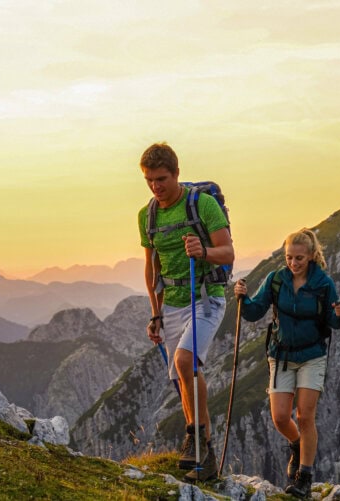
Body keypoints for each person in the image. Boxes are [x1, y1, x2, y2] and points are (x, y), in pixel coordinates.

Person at [138, 142, 234, 482]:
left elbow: (228, 253)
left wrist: (203, 250)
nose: (156, 186)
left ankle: (195, 437)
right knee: (183, 378)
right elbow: (152, 270)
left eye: (161, 179)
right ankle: (204, 454)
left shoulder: (203, 205)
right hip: (173, 304)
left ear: (177, 174)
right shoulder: (147, 216)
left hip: (207, 296)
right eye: (149, 180)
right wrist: (156, 313)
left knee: (184, 362)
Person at [233, 228, 340, 498]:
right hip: (281, 355)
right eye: (289, 257)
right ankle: (296, 444)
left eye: (299, 258)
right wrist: (242, 298)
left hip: (312, 356)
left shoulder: (323, 284)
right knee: (281, 417)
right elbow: (254, 311)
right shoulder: (276, 280)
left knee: (305, 416)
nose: (293, 263)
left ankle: (304, 477)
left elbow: (333, 323)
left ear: (311, 257)